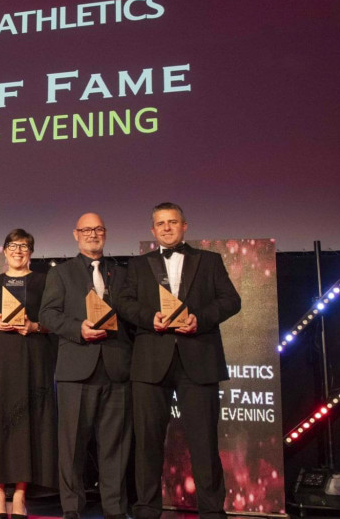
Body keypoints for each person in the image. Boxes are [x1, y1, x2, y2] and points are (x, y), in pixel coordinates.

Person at [115, 203, 241, 519]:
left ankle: (212, 511)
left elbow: (231, 301)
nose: (167, 227)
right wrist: (149, 318)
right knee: (147, 441)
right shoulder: (138, 264)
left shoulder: (209, 261)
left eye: (173, 222)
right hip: (149, 361)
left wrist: (200, 318)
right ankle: (145, 507)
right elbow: (125, 304)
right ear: (152, 230)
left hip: (198, 358)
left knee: (204, 440)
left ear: (185, 226)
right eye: (161, 223)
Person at [40, 213, 133, 519]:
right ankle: (72, 508)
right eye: (86, 230)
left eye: (98, 229)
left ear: (105, 233)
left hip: (116, 367)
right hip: (76, 368)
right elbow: (48, 316)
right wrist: (78, 327)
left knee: (115, 447)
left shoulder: (121, 273)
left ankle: (115, 509)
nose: (93, 234)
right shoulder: (62, 273)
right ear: (75, 234)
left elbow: (132, 314)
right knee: (72, 446)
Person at [0, 229, 57, 519]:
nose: (18, 251)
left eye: (24, 246)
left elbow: (52, 322)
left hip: (33, 358)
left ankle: (20, 495)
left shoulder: (44, 281)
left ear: (30, 252)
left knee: (27, 423)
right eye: (13, 245)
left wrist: (32, 325)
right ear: (4, 250)